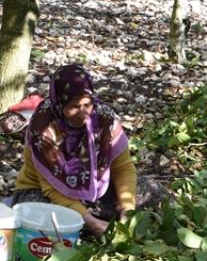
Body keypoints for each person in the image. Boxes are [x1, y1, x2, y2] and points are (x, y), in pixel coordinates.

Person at [12, 64, 163, 235]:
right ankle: (90, 223)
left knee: (153, 192)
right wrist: (90, 221)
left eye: (87, 104)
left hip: (94, 188)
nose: (83, 113)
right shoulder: (42, 130)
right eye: (74, 107)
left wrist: (128, 209)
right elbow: (51, 189)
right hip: (44, 192)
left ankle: (98, 220)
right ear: (59, 105)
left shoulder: (105, 120)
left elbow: (123, 168)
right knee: (46, 218)